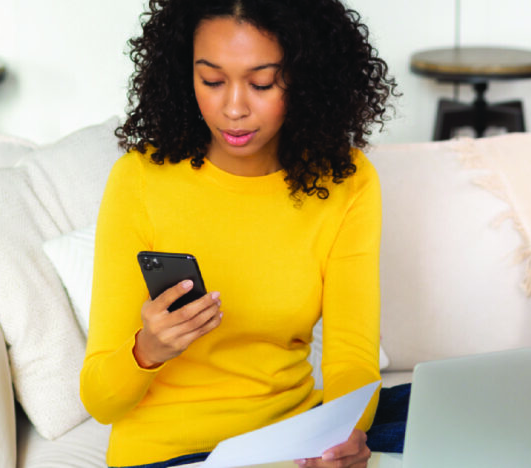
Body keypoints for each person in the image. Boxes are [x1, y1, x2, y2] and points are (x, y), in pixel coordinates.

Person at [80, 1, 404, 467]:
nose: (233, 107)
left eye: (261, 83)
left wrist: (342, 436)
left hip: (290, 438)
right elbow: (99, 400)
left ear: (305, 77)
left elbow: (351, 358)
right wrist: (148, 349)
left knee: (453, 412)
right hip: (171, 455)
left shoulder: (347, 180)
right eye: (211, 81)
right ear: (183, 74)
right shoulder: (139, 180)